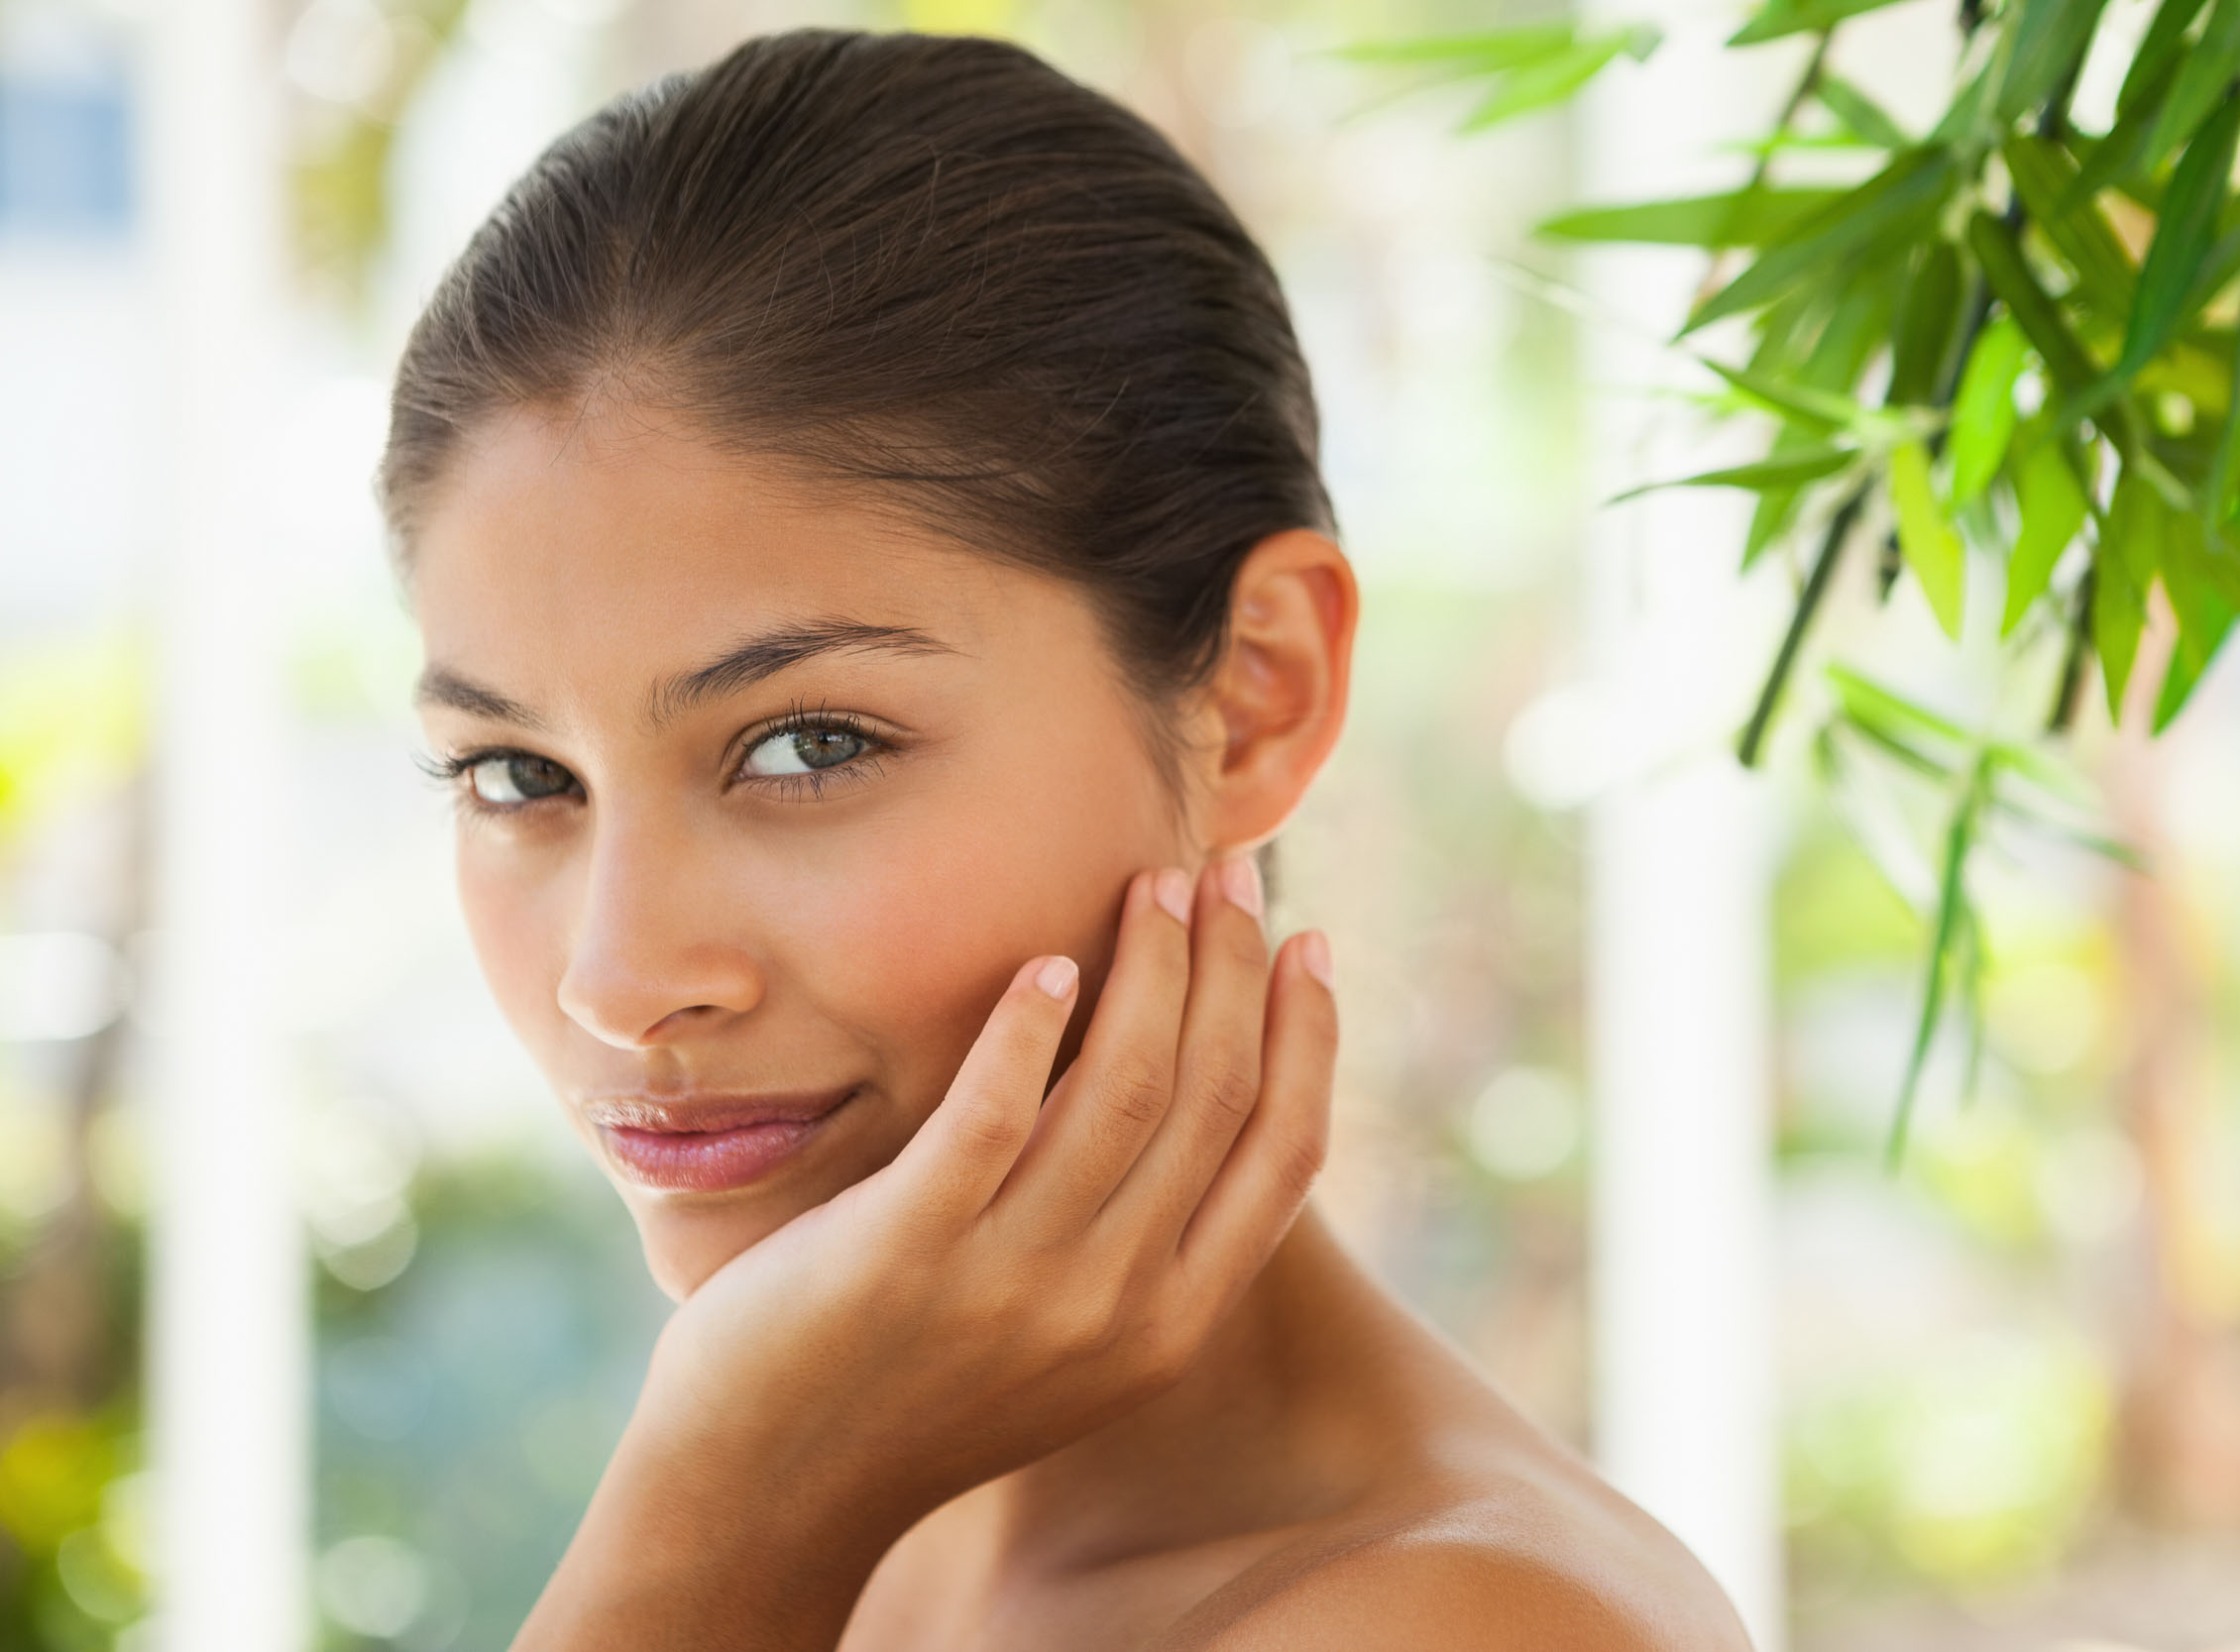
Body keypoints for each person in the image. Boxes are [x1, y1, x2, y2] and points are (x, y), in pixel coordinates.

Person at [387, 28, 1747, 1650]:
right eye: (516, 778)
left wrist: (721, 1512)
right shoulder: (851, 1525)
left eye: (808, 746)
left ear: (1254, 695)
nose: (620, 980)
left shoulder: (1443, 1624)